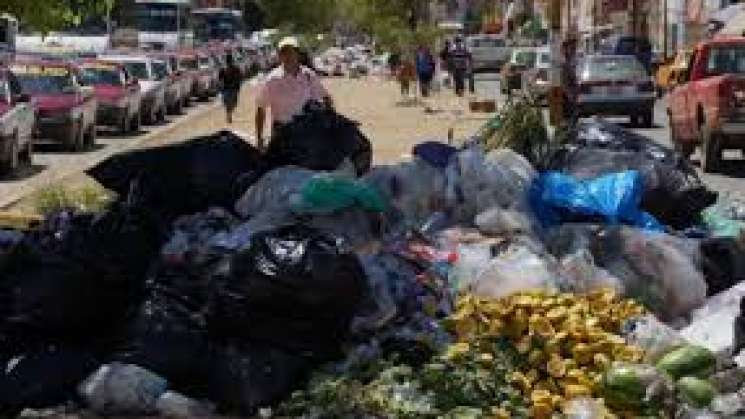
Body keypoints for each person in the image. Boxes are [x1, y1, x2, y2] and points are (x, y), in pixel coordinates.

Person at [255, 36, 332, 151]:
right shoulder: (272, 79)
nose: (288, 56)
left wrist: (329, 123)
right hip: (282, 132)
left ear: (298, 54)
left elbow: (325, 97)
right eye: (284, 53)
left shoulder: (308, 75)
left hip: (307, 131)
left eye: (291, 52)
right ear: (279, 56)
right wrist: (260, 138)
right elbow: (261, 109)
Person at [218, 53, 243, 124]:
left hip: (229, 89)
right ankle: (229, 116)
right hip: (230, 89)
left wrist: (221, 89)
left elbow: (220, 80)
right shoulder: (227, 69)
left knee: (230, 104)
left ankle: (229, 115)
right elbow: (240, 78)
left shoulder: (234, 68)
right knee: (232, 104)